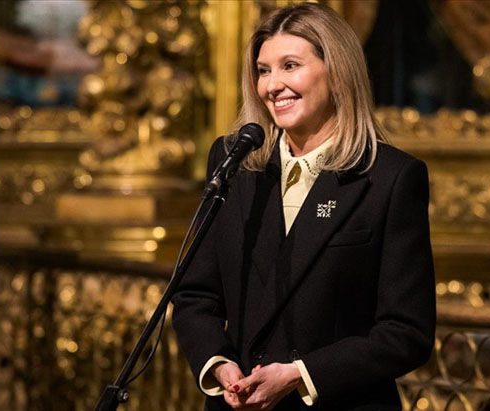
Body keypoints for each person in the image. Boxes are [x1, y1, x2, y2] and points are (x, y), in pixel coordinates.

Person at [172, 3, 435, 410]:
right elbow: (195, 295)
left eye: (290, 66)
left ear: (337, 72)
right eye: (263, 70)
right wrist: (219, 364)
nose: (272, 85)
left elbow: (407, 332)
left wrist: (301, 374)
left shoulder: (390, 177)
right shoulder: (235, 161)